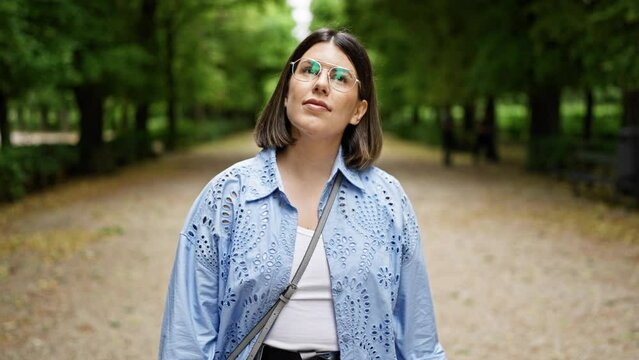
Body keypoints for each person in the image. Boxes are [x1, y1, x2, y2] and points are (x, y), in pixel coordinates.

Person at [159, 28, 447, 360]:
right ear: (286, 92)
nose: (321, 83)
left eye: (340, 78)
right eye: (308, 70)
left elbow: (418, 338)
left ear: (359, 110)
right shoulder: (227, 196)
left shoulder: (387, 200)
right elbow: (186, 336)